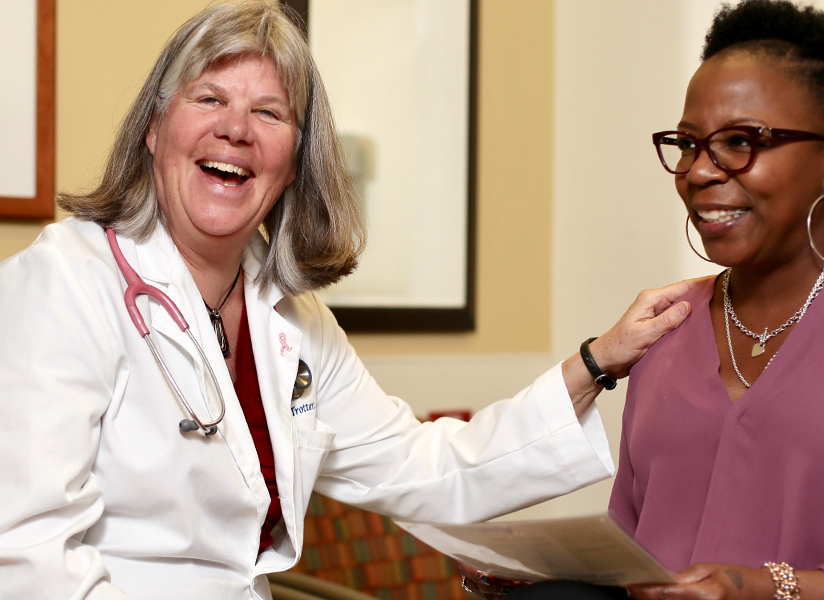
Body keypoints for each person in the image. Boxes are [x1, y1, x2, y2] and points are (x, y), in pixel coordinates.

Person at [0, 3, 698, 599]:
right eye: (208, 99)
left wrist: (595, 363)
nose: (236, 129)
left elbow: (425, 470)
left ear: (295, 159)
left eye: (268, 112)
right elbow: (28, 553)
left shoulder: (295, 323)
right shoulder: (65, 281)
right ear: (154, 129)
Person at [500, 1, 824, 599]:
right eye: (688, 144)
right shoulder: (667, 328)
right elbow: (634, 545)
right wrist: (558, 573)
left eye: (740, 141)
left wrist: (782, 587)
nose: (699, 172)